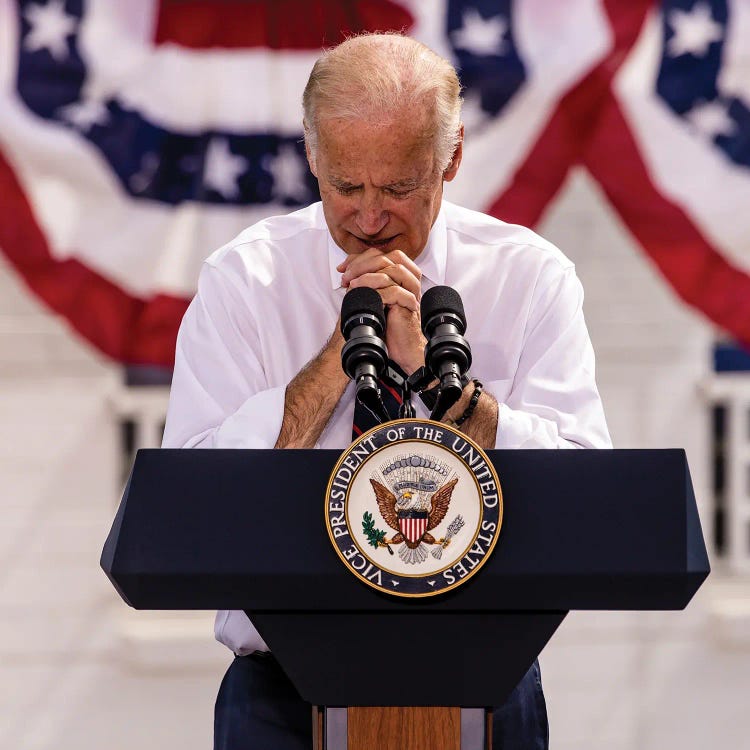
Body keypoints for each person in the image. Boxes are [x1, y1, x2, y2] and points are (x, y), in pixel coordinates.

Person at [162, 32, 611, 750]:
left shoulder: (529, 278)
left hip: (488, 680)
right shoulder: (244, 283)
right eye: (346, 186)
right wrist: (339, 356)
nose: (369, 218)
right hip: (280, 690)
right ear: (311, 155)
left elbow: (589, 499)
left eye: (399, 188)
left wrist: (442, 380)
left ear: (452, 157)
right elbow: (194, 506)